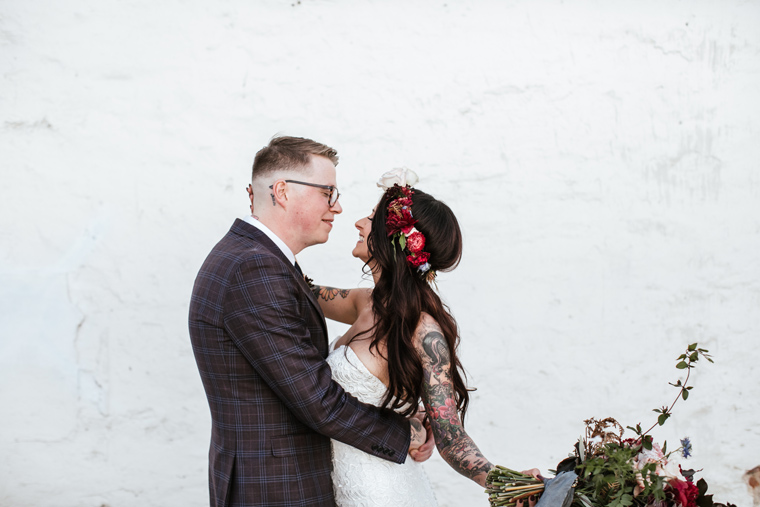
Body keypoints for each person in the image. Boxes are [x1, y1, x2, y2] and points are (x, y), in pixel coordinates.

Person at [188, 138, 431, 507]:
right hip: (277, 486)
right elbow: (318, 401)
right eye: (328, 192)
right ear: (283, 192)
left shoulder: (261, 260)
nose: (337, 207)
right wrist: (405, 432)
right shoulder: (255, 269)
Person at [311, 169, 541, 507]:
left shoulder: (423, 332)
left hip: (381, 495)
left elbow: (450, 437)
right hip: (340, 487)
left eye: (372, 218)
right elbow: (300, 289)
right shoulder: (364, 301)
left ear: (396, 239)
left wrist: (510, 485)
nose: (359, 222)